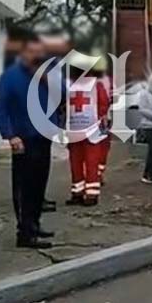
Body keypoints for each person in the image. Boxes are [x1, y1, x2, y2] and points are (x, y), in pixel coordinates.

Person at [0, 35, 59, 249]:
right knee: (24, 187)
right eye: (32, 52)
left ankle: (35, 224)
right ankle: (24, 232)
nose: (37, 56)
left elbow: (64, 94)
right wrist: (10, 135)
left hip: (44, 136)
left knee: (40, 184)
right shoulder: (10, 76)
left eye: (40, 53)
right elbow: (1, 106)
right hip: (23, 138)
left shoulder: (48, 73)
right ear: (23, 53)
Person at [64, 56, 110, 207]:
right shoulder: (96, 85)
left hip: (74, 129)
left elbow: (61, 105)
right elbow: (104, 104)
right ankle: (90, 195)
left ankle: (78, 193)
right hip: (92, 130)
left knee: (75, 163)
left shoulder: (68, 85)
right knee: (91, 162)